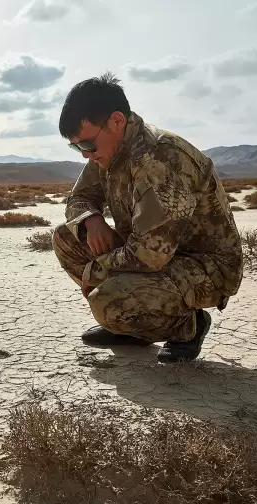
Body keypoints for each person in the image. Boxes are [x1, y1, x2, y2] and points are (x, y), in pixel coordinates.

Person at [52, 73, 243, 362]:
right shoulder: (107, 151)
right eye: (76, 147)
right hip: (149, 253)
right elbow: (78, 199)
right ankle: (131, 325)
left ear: (116, 121)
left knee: (107, 299)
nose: (84, 154)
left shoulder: (160, 158)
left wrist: (97, 271)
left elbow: (150, 255)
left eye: (87, 144)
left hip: (202, 267)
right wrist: (91, 219)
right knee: (67, 237)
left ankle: (187, 326)